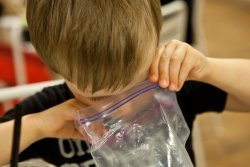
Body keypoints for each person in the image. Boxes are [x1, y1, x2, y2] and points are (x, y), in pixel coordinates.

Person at [0, 0, 250, 166]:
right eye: (97, 98)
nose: (123, 108)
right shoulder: (51, 111)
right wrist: (36, 126)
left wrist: (207, 69)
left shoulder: (168, 86)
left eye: (135, 87)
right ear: (56, 69)